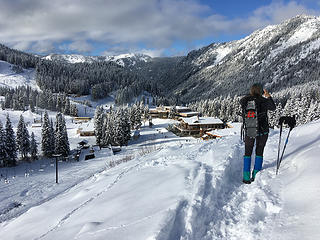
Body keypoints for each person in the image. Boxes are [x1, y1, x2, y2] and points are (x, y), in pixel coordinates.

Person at [240, 83, 276, 184]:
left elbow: (242, 102)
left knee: (247, 153)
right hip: (262, 130)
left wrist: (250, 95)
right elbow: (273, 107)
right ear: (261, 91)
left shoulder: (244, 101)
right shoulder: (263, 101)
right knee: (259, 152)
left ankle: (246, 177)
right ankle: (256, 175)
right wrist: (268, 96)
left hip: (249, 130)